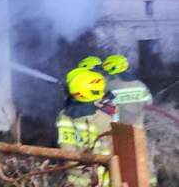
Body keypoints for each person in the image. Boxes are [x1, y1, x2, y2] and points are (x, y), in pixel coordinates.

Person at [102, 54, 156, 185]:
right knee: (142, 160)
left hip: (119, 132)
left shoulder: (109, 86)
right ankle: (150, 183)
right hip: (139, 130)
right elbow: (149, 103)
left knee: (121, 162)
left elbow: (98, 104)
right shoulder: (140, 85)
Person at [57, 69, 112, 186]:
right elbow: (110, 152)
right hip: (98, 178)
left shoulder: (63, 115)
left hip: (73, 174)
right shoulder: (103, 119)